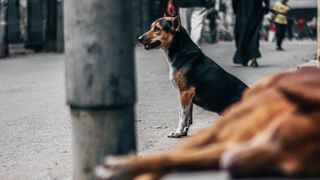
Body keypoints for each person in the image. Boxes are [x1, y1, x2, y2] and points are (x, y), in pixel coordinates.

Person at [232, 0, 270, 67]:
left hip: (242, 12)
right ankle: (253, 58)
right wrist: (266, 8)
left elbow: (234, 2)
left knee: (242, 35)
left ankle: (243, 58)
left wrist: (235, 10)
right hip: (255, 11)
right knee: (254, 35)